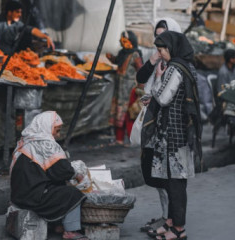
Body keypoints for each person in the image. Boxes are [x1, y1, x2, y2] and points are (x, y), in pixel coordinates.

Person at [147, 31, 202, 240]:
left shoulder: (175, 69)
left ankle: (179, 229)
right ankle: (171, 223)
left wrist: (158, 79)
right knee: (172, 181)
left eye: (161, 50)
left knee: (176, 183)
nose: (160, 54)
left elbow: (162, 98)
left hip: (174, 134)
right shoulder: (188, 67)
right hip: (179, 132)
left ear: (171, 48)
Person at [10, 111, 89, 240]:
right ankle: (71, 231)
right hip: (33, 198)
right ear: (46, 127)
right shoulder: (46, 144)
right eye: (56, 130)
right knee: (72, 194)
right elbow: (62, 171)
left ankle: (56, 225)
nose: (58, 135)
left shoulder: (25, 142)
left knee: (57, 185)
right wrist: (77, 175)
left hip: (19, 196)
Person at [136, 17, 182, 233]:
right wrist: (153, 60)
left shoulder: (178, 63)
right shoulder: (157, 57)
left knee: (166, 175)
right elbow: (140, 77)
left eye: (164, 36)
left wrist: (154, 94)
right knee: (151, 172)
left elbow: (167, 97)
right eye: (157, 37)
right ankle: (167, 217)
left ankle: (170, 220)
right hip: (152, 123)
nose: (160, 42)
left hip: (169, 128)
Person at [106, 30, 143, 145]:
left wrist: (141, 88)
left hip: (130, 90)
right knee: (119, 113)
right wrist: (111, 58)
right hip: (119, 90)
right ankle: (119, 139)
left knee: (129, 115)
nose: (123, 43)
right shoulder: (122, 53)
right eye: (122, 41)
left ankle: (131, 140)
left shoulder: (135, 55)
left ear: (131, 42)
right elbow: (117, 61)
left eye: (125, 41)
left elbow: (141, 71)